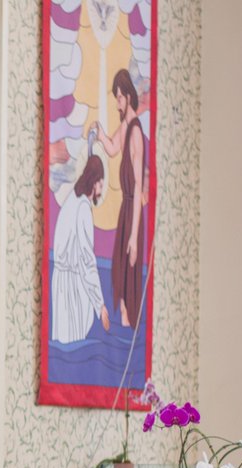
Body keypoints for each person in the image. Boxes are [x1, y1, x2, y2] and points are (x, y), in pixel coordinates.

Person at [90, 69, 147, 330]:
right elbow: (112, 148)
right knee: (119, 266)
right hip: (125, 207)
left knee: (129, 265)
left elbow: (137, 185)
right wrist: (100, 133)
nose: (117, 104)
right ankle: (124, 313)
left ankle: (128, 318)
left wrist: (134, 235)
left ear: (128, 97)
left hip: (133, 209)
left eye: (120, 98)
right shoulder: (125, 126)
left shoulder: (135, 132)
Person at [51, 155, 111, 344]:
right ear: (95, 182)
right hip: (72, 288)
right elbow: (87, 260)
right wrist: (100, 305)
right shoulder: (83, 207)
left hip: (61, 282)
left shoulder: (72, 200)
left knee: (63, 342)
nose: (101, 191)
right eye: (100, 185)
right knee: (73, 343)